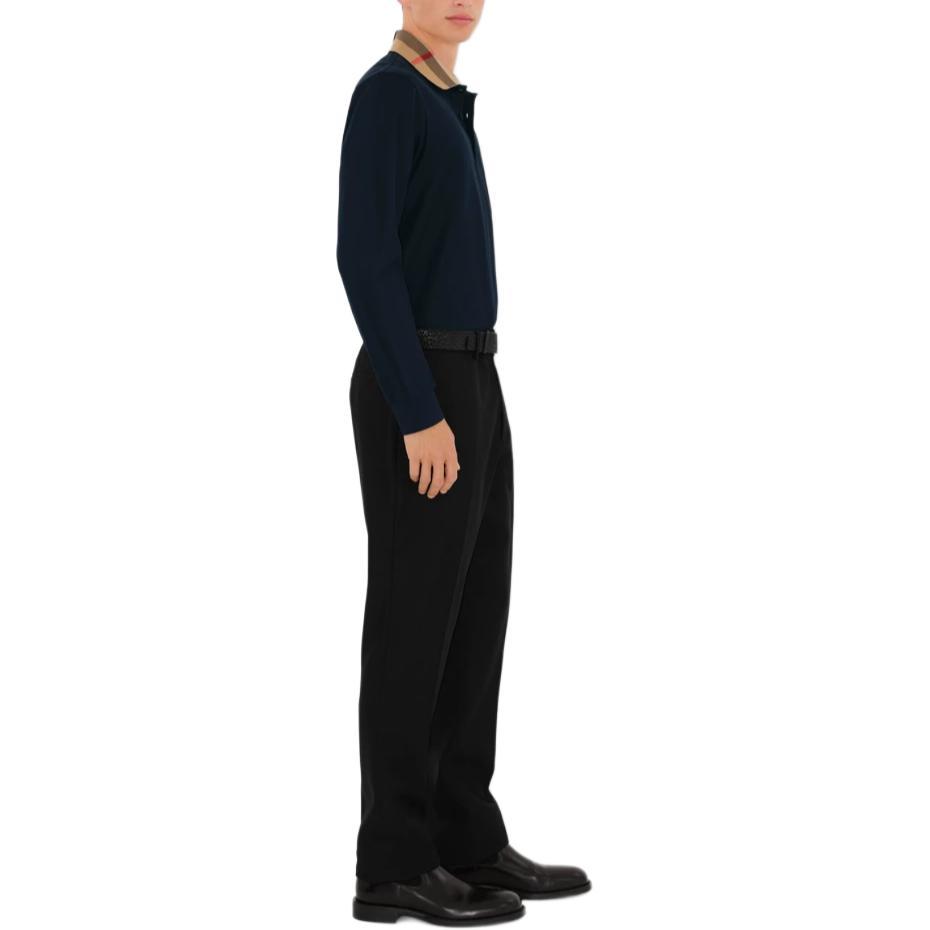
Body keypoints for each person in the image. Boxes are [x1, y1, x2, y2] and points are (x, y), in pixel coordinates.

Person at [336, 3, 590, 923]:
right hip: (422, 380)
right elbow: (365, 258)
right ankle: (394, 863)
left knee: (476, 611)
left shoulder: (444, 99)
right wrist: (419, 412)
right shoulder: (387, 96)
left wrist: (463, 398)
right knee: (414, 618)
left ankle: (464, 838)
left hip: (475, 372)